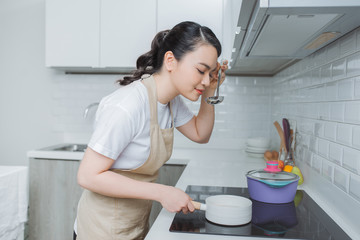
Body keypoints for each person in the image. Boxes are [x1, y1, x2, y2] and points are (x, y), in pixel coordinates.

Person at [74, 21, 228, 240]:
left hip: (134, 224)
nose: (205, 80)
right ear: (170, 60)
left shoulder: (170, 100)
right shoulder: (128, 105)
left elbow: (199, 134)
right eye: (201, 70)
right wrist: (163, 192)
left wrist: (210, 91)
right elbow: (88, 175)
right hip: (101, 230)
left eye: (210, 73)